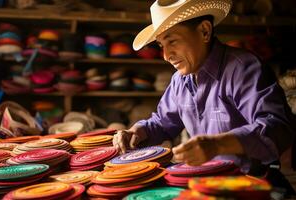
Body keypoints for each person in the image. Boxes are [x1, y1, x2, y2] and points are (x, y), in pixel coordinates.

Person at [113, 0, 296, 193]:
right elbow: (161, 122)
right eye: (161, 45)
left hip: (252, 183)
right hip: (205, 183)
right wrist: (137, 132)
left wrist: (216, 145)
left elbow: (276, 127)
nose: (166, 55)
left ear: (204, 31)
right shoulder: (179, 81)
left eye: (172, 41)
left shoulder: (243, 68)